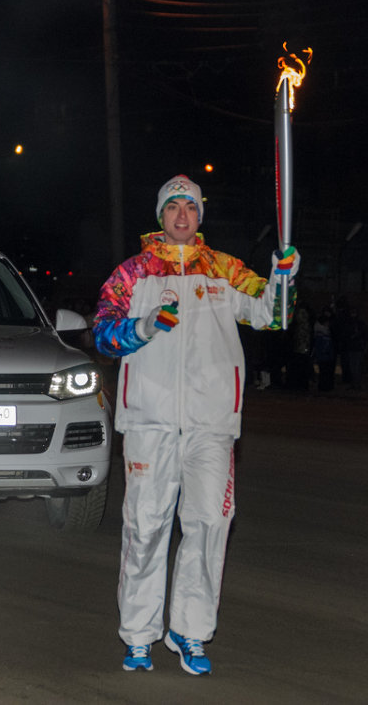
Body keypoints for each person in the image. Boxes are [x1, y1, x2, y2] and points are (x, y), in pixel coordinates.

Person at [93, 174, 298, 675]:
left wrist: (283, 277)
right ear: (160, 216)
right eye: (172, 207)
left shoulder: (225, 269)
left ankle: (190, 632)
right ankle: (140, 636)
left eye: (190, 207)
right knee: (144, 528)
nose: (181, 215)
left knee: (209, 526)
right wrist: (144, 327)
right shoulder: (133, 273)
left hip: (211, 425)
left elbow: (274, 317)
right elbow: (102, 334)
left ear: (200, 216)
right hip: (149, 422)